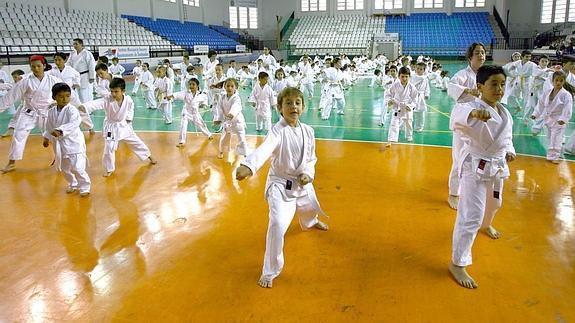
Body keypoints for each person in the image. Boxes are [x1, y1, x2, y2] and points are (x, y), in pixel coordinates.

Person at [235, 87, 328, 289]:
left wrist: (308, 174)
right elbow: (265, 148)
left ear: (302, 107)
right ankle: (270, 270)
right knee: (277, 223)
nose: (293, 106)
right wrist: (249, 166)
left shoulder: (308, 131)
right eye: (288, 103)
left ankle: (311, 222)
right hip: (280, 184)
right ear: (279, 108)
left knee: (308, 208)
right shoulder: (278, 131)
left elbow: (312, 158)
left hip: (301, 181)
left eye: (297, 102)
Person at [449, 65, 516, 289]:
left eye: (502, 84)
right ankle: (458, 263)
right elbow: (456, 118)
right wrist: (473, 113)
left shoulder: (504, 111)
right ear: (480, 87)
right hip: (475, 166)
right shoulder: (470, 107)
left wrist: (510, 150)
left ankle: (487, 225)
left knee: (495, 202)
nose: (499, 89)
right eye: (494, 84)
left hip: (497, 164)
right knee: (471, 215)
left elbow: (507, 137)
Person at [0, 55, 79, 173]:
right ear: (30, 67)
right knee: (18, 135)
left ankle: (62, 162)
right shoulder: (25, 81)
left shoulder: (53, 80)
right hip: (28, 113)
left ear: (44, 66)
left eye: (38, 66)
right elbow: (11, 96)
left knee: (55, 137)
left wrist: (79, 104)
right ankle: (11, 163)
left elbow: (68, 91)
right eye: (33, 67)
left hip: (46, 113)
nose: (36, 69)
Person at [78, 78, 157, 177]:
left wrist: (129, 118)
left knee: (135, 141)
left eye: (116, 91)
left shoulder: (128, 100)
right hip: (111, 127)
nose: (113, 94)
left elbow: (130, 108)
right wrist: (85, 107)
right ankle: (109, 169)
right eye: (112, 91)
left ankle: (148, 156)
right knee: (109, 147)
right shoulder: (107, 99)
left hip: (123, 125)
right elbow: (97, 103)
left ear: (123, 91)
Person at [446, 42, 486, 210]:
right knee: (459, 157)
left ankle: (469, 184)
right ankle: (453, 193)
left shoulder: (486, 75)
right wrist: (468, 90)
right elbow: (451, 87)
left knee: (477, 157)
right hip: (463, 120)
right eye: (477, 53)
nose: (481, 55)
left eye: (483, 53)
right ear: (470, 56)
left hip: (481, 122)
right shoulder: (463, 74)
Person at [43, 83, 91, 196]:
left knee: (78, 168)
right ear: (54, 97)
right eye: (61, 96)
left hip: (74, 143)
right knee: (65, 169)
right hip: (60, 145)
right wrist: (46, 137)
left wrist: (60, 130)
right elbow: (49, 126)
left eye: (67, 96)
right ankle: (73, 183)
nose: (65, 99)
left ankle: (85, 186)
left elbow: (75, 123)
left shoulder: (72, 110)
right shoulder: (51, 112)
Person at [533, 71, 574, 162]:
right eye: (556, 80)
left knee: (556, 139)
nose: (558, 82)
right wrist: (535, 114)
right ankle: (551, 155)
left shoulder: (566, 94)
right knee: (550, 137)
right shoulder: (547, 92)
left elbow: (568, 108)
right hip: (549, 119)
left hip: (559, 120)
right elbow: (541, 103)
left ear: (564, 82)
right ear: (552, 81)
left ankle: (555, 156)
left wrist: (563, 118)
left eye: (561, 81)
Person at [169, 78, 213, 147]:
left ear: (197, 86)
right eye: (190, 84)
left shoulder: (200, 95)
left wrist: (204, 105)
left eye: (193, 84)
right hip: (186, 112)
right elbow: (178, 94)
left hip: (195, 113)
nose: (191, 86)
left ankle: (208, 134)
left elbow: (204, 99)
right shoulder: (186, 93)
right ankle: (182, 141)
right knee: (183, 126)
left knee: (201, 125)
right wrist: (171, 96)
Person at [214, 78, 247, 159]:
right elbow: (219, 109)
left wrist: (232, 113)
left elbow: (237, 106)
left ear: (236, 87)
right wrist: (218, 119)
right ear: (224, 87)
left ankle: (245, 154)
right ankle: (221, 151)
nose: (229, 88)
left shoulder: (236, 98)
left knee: (242, 138)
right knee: (224, 138)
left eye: (232, 86)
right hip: (227, 122)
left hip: (237, 121)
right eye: (227, 86)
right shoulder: (222, 98)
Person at [385, 67, 418, 145]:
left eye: (406, 76)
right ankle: (392, 139)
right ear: (399, 76)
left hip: (407, 106)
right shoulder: (395, 85)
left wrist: (410, 106)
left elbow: (415, 98)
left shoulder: (411, 87)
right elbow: (388, 94)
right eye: (402, 76)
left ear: (409, 77)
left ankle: (409, 136)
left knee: (409, 122)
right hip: (397, 106)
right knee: (394, 122)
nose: (404, 78)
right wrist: (389, 101)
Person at [66, 38, 96, 103]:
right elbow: (68, 64)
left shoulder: (87, 53)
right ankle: (81, 110)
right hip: (76, 76)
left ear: (81, 44)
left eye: (76, 44)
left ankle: (88, 110)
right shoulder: (72, 53)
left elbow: (91, 65)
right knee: (78, 95)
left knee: (86, 94)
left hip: (85, 76)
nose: (74, 45)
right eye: (74, 44)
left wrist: (92, 77)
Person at [0, 69, 25, 137]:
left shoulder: (27, 82)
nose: (15, 79)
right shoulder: (14, 84)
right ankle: (10, 131)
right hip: (24, 105)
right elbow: (5, 85)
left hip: (37, 106)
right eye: (13, 77)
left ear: (21, 76)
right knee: (15, 118)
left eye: (16, 77)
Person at [411, 62, 430, 133]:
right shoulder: (412, 77)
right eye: (417, 68)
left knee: (421, 113)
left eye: (421, 69)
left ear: (424, 70)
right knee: (410, 113)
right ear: (415, 68)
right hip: (413, 96)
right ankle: (409, 127)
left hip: (421, 96)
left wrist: (427, 94)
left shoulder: (425, 78)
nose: (419, 70)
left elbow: (427, 87)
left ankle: (419, 128)